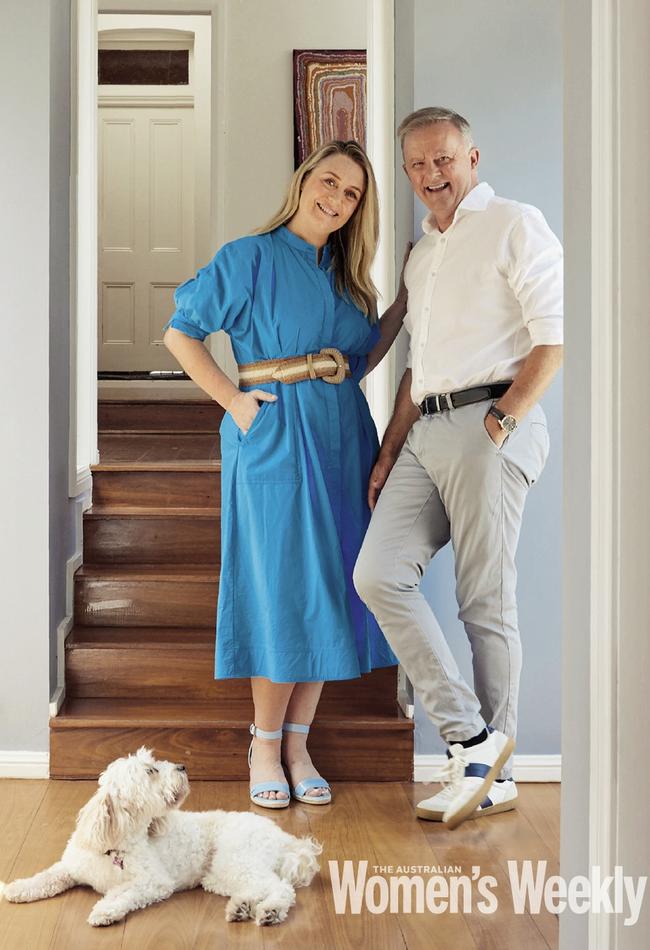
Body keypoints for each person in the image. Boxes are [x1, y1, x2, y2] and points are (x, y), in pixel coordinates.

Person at [163, 140, 407, 809]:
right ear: (304, 181)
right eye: (329, 181)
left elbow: (356, 361)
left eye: (352, 193)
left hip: (341, 435)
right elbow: (182, 333)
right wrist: (235, 404)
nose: (337, 197)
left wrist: (405, 301)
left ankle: (299, 741)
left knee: (330, 584)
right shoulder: (250, 256)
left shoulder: (347, 275)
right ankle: (263, 742)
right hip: (272, 434)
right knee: (280, 586)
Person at [354, 107, 563, 830]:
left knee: (484, 596)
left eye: (443, 159)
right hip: (425, 428)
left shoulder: (515, 223)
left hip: (488, 422)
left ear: (472, 155)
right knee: (376, 574)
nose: (431, 175)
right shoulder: (420, 253)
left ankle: (492, 771)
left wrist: (502, 422)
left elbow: (555, 336)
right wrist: (389, 449)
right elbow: (416, 366)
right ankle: (471, 738)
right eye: (417, 165)